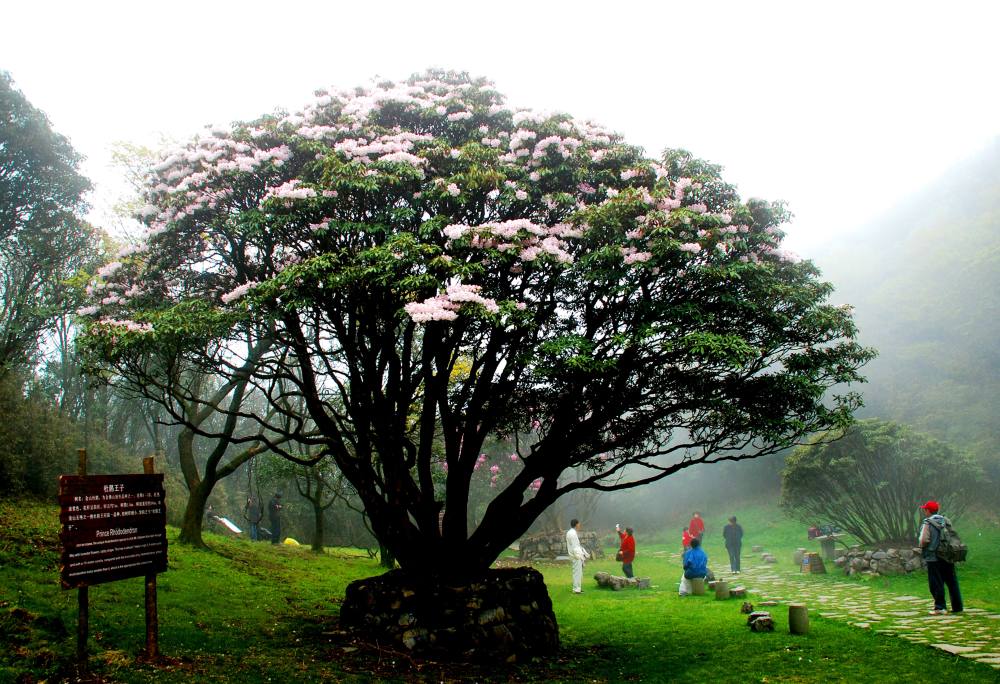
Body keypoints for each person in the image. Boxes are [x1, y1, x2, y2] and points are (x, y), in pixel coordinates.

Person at [918, 500, 963, 615]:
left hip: (933, 557)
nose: (924, 511)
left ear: (928, 511)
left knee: (936, 582)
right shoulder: (946, 520)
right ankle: (957, 607)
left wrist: (923, 547)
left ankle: (940, 607)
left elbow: (924, 540)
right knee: (952, 581)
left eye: (925, 509)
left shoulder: (927, 522)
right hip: (947, 555)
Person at [566, 519, 590, 594]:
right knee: (577, 573)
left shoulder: (571, 532)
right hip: (576, 556)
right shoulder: (572, 533)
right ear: (576, 524)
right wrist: (579, 556)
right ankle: (576, 589)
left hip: (576, 555)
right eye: (579, 524)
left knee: (578, 573)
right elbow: (574, 546)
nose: (579, 525)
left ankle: (577, 588)